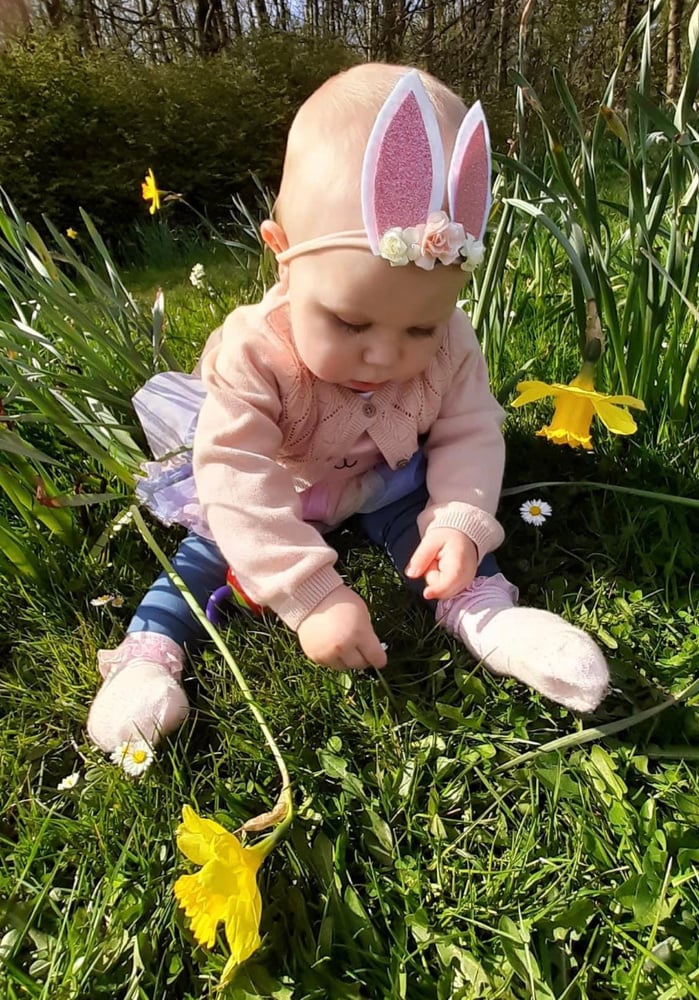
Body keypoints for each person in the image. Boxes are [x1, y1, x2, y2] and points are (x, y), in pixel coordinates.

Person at [87, 64, 609, 753]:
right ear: (281, 257)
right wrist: (310, 595)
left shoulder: (451, 341)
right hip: (279, 481)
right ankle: (148, 655)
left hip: (385, 473)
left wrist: (459, 520)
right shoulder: (256, 352)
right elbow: (237, 472)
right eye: (350, 323)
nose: (385, 356)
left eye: (418, 329)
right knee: (208, 550)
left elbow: (468, 429)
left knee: (426, 533)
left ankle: (486, 611)